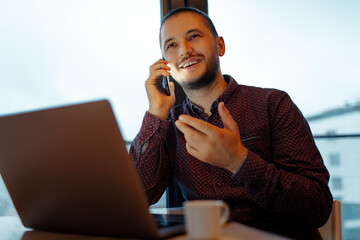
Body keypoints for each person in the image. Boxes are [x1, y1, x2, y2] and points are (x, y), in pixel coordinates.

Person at [130, 7, 333, 240]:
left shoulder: (273, 104)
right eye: (171, 45)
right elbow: (137, 198)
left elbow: (318, 206)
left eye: (194, 36)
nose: (184, 50)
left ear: (220, 46)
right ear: (165, 64)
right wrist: (156, 112)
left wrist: (239, 161)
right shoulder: (170, 125)